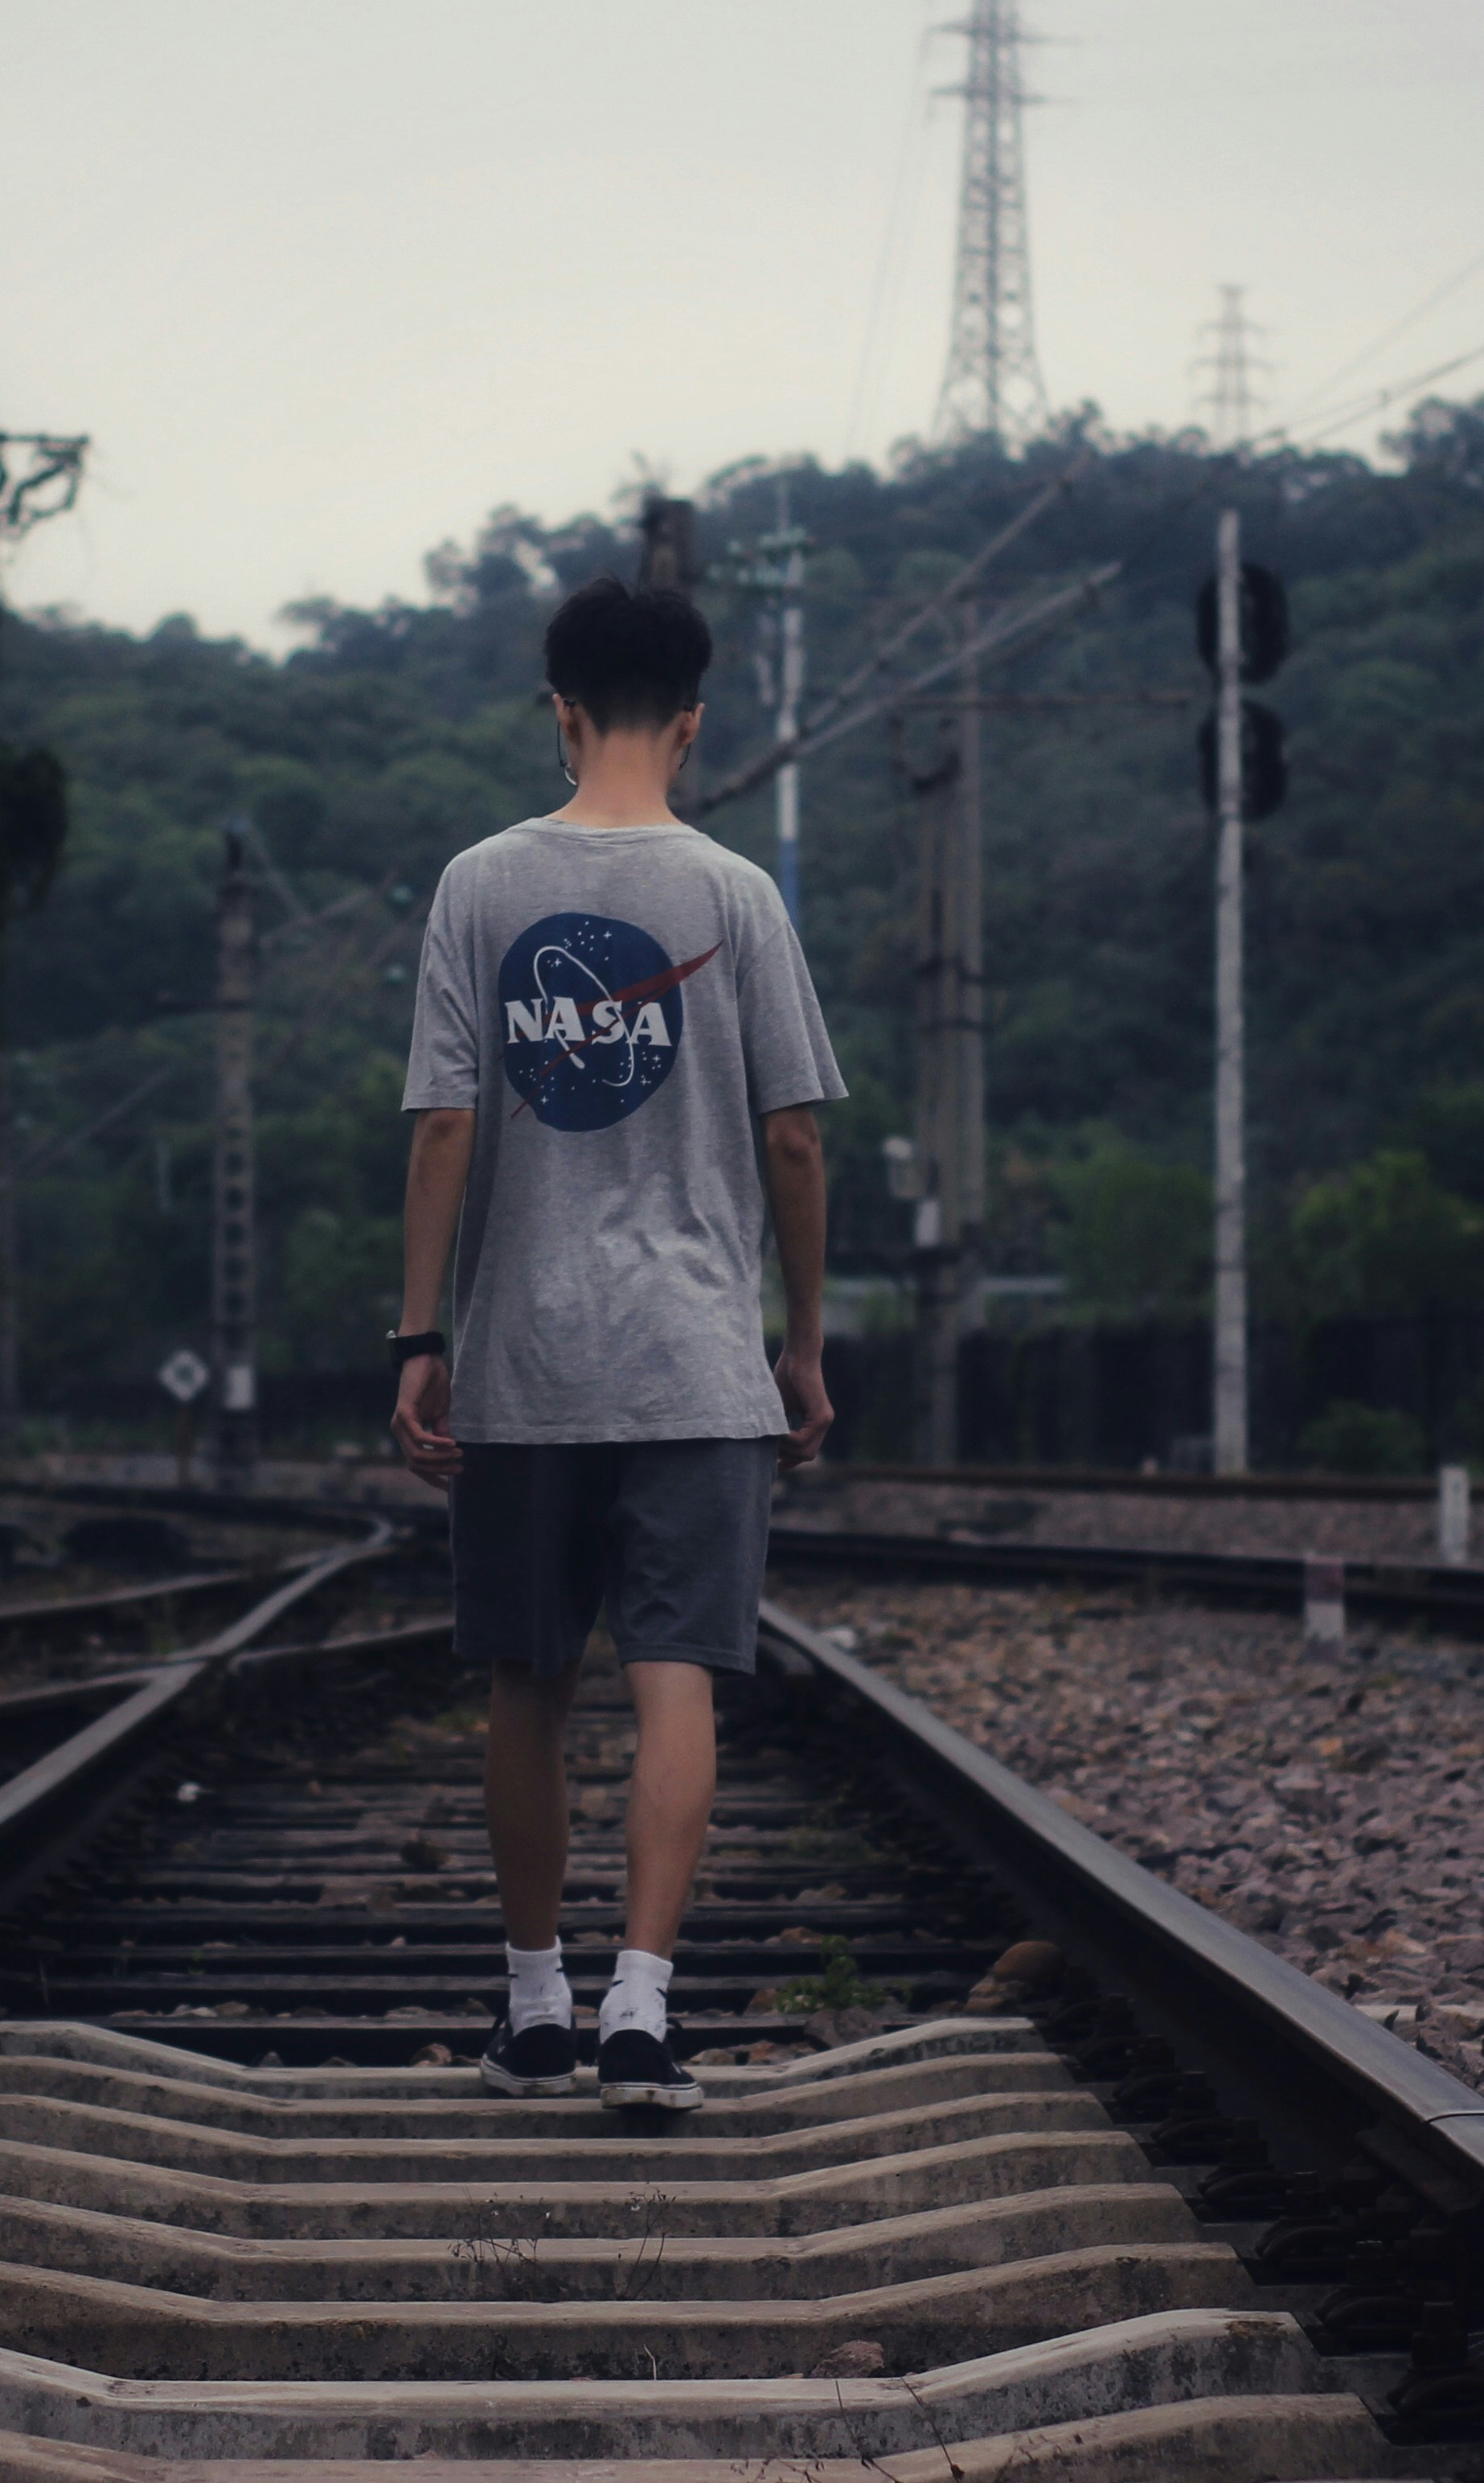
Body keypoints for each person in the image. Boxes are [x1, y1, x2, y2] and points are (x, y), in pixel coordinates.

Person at [390, 573, 839, 2109]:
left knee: (527, 1682)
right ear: (696, 724)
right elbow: (795, 1146)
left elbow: (442, 1124)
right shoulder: (737, 896)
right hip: (701, 1365)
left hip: (522, 1365)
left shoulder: (477, 885)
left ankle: (533, 2007)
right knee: (675, 1682)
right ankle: (640, 2010)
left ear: (561, 712)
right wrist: (804, 1345)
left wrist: (417, 1337)